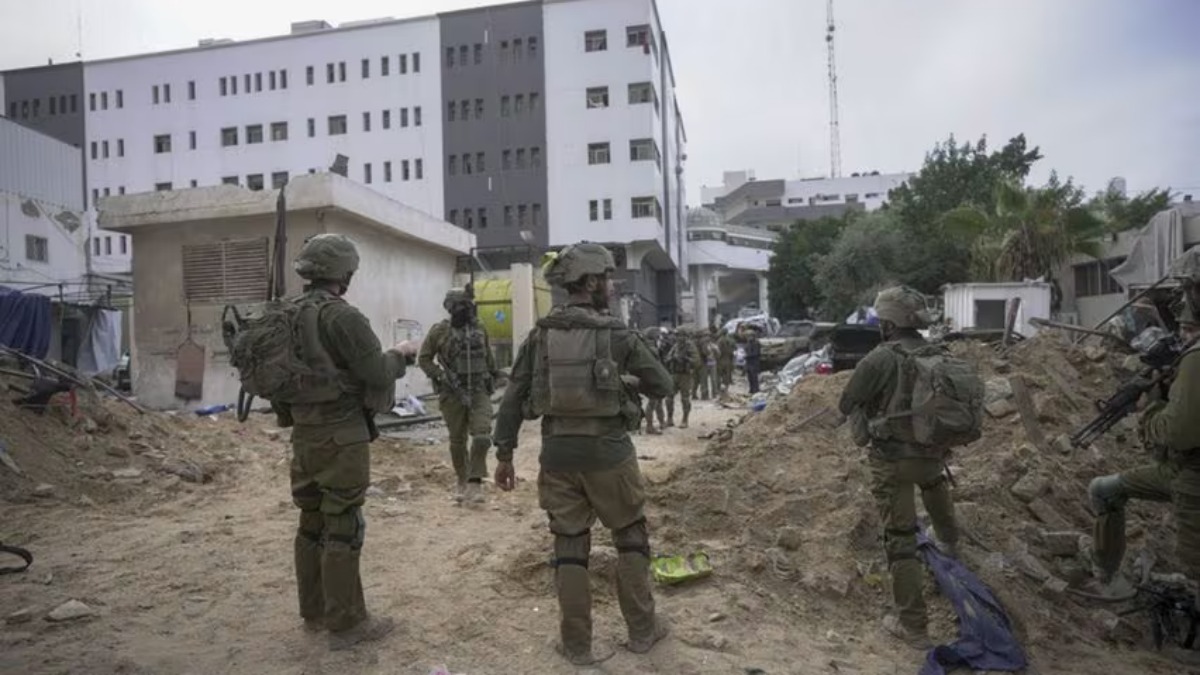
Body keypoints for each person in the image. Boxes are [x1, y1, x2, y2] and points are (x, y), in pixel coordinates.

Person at [493, 242, 674, 665]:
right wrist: (624, 381)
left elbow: (513, 396)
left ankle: (576, 645)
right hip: (610, 456)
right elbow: (663, 385)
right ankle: (643, 632)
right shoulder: (617, 334)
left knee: (569, 548)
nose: (611, 286)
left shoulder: (540, 335)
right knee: (630, 538)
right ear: (590, 282)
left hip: (557, 457)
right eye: (607, 279)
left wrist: (504, 453)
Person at [278, 234, 419, 650]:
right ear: (345, 272)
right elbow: (376, 372)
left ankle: (314, 611)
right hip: (341, 435)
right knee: (343, 525)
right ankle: (346, 624)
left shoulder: (285, 314)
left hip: (304, 434)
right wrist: (401, 354)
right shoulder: (342, 317)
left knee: (311, 523)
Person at [837, 285, 960, 650]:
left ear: (888, 324)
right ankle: (950, 545)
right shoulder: (938, 352)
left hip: (892, 461)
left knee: (902, 539)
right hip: (932, 455)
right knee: (934, 486)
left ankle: (913, 626)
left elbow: (847, 402)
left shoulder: (880, 358)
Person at [1087, 296, 1200, 606]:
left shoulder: (1195, 360)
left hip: (1192, 479)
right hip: (1179, 470)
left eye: (1191, 329)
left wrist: (1149, 409)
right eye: (1183, 329)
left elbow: (1178, 433)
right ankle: (1109, 579)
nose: (1184, 337)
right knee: (1104, 490)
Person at [418, 287, 499, 504]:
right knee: (457, 441)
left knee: (482, 436)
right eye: (462, 305)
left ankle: (475, 480)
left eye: (468, 305)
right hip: (452, 393)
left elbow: (488, 358)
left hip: (479, 390)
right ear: (451, 308)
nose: (467, 309)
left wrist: (497, 375)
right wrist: (440, 375)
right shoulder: (439, 331)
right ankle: (462, 480)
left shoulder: (480, 327)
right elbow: (424, 359)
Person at [665, 327, 701, 429]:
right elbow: (667, 358)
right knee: (669, 397)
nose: (677, 337)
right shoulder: (675, 346)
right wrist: (672, 358)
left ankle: (685, 419)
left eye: (679, 335)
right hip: (674, 374)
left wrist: (685, 359)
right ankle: (669, 418)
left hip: (685, 375)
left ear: (685, 336)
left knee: (685, 398)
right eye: (677, 335)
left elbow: (697, 361)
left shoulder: (690, 346)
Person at [640, 327, 669, 435]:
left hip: (650, 376)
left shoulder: (647, 346)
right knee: (653, 402)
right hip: (653, 377)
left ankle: (662, 422)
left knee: (658, 400)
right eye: (658, 335)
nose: (660, 337)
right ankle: (649, 426)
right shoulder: (652, 348)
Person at [692, 329, 712, 401]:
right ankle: (704, 395)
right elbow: (705, 352)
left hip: (694, 362)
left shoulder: (692, 342)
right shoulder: (703, 342)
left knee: (695, 379)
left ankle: (693, 394)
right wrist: (709, 353)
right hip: (702, 362)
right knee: (703, 379)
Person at [743, 325, 762, 395]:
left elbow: (756, 353)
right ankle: (751, 389)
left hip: (754, 362)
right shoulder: (748, 343)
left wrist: (747, 356)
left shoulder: (756, 343)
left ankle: (755, 389)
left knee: (754, 377)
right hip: (749, 362)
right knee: (750, 377)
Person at [717, 328, 737, 393]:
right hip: (728, 359)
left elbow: (718, 351)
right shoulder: (730, 340)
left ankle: (719, 389)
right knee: (727, 374)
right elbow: (734, 349)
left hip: (720, 359)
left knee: (719, 375)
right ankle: (726, 389)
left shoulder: (719, 340)